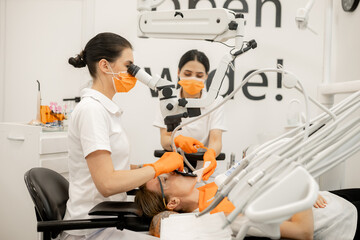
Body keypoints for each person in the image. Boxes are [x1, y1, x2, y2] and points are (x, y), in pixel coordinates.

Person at [61, 32, 185, 240]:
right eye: (129, 66)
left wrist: (152, 168)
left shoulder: (104, 110)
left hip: (106, 220)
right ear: (104, 66)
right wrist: (156, 168)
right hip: (89, 230)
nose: (133, 74)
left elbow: (114, 167)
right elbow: (107, 183)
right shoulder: (92, 111)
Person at [135, 172, 359, 239]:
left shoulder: (212, 186)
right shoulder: (219, 217)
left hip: (326, 199)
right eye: (165, 179)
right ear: (173, 202)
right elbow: (301, 231)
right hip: (341, 220)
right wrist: (301, 192)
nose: (173, 171)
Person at [153, 49, 227, 181]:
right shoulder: (168, 100)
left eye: (199, 75)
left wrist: (211, 153)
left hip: (203, 170)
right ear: (178, 72)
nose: (193, 78)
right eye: (187, 74)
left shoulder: (215, 101)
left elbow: (216, 139)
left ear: (206, 76)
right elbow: (164, 139)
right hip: (173, 169)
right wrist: (176, 141)